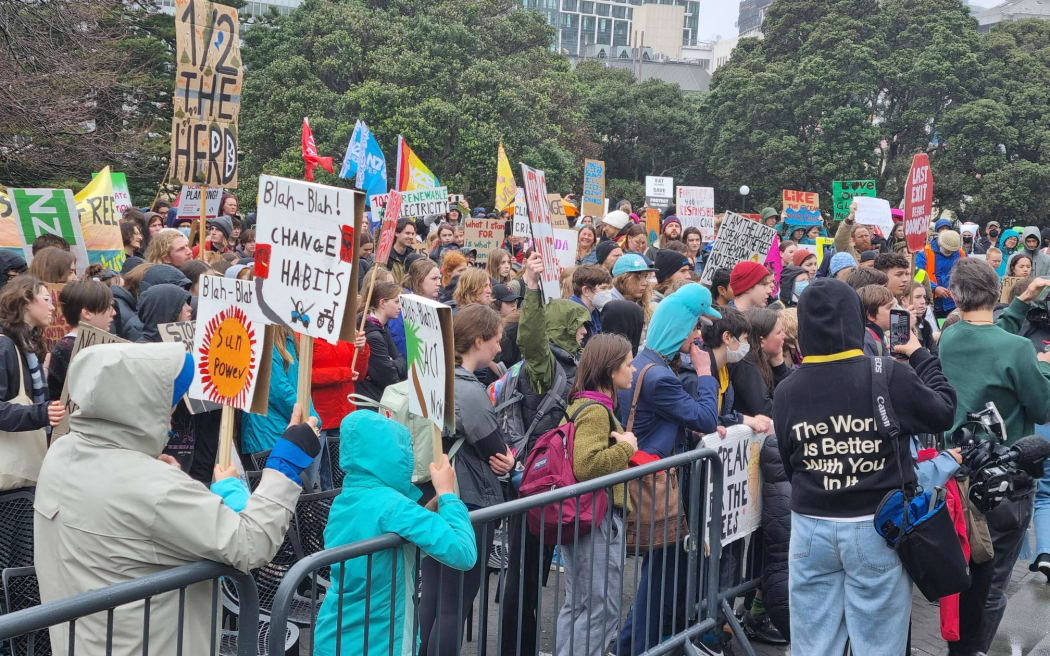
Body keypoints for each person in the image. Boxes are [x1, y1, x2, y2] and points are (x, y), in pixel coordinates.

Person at [35, 340, 319, 656]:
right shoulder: (149, 485)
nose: (174, 409)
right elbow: (250, 544)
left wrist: (156, 471)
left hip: (84, 640)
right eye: (167, 398)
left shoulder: (61, 452)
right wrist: (285, 463)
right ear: (138, 404)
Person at [773, 277, 956, 656]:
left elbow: (793, 460)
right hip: (875, 524)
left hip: (811, 524)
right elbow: (943, 411)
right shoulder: (887, 372)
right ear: (856, 319)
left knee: (813, 645)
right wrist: (920, 354)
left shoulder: (788, 388)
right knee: (878, 645)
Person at [938, 261, 1050, 655]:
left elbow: (988, 340)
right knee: (992, 583)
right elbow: (1043, 408)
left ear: (953, 294)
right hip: (1005, 483)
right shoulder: (1019, 349)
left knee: (966, 574)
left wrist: (1019, 303)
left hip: (956, 475)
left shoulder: (948, 338)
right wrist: (1043, 368)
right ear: (994, 289)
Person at [613, 283, 721, 655]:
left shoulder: (646, 365)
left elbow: (682, 419)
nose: (697, 338)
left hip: (655, 478)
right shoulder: (659, 376)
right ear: (679, 328)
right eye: (695, 329)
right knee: (658, 580)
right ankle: (637, 647)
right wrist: (707, 373)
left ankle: (630, 645)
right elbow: (706, 417)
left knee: (658, 577)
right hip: (656, 485)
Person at [314, 411, 476, 656]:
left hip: (337, 636)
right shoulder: (395, 508)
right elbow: (462, 553)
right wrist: (448, 495)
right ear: (392, 455)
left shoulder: (345, 500)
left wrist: (428, 509)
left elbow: (395, 546)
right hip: (380, 642)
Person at [500, 253, 591, 656]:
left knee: (530, 574)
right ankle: (514, 647)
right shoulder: (545, 364)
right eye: (580, 327)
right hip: (536, 480)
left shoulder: (568, 364)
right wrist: (533, 290)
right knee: (524, 573)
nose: (586, 334)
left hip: (545, 479)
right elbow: (531, 337)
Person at [419, 303, 512, 655]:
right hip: (467, 499)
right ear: (477, 340)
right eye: (496, 340)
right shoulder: (469, 390)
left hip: (433, 494)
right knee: (455, 602)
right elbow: (497, 449)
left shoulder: (430, 374)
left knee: (433, 594)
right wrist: (508, 458)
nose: (500, 349)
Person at [554, 333, 638, 656]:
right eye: (628, 365)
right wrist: (625, 448)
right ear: (609, 370)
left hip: (586, 517)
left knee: (579, 605)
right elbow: (587, 465)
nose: (632, 370)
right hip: (597, 519)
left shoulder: (584, 403)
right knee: (601, 609)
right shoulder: (595, 411)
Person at [0, 276, 66, 494]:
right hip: (10, 488)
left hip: (21, 482)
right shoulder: (5, 346)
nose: (53, 306)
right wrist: (41, 413)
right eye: (46, 299)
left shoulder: (26, 345)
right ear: (26, 301)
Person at [310, 330, 368, 490]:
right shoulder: (306, 333)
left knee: (342, 476)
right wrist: (342, 373)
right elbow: (304, 376)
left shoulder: (345, 334)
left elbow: (359, 374)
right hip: (317, 419)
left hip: (344, 417)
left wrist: (362, 350)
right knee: (311, 478)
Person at [47, 280, 115, 399]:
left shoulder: (103, 343)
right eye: (109, 307)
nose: (114, 312)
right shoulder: (67, 348)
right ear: (87, 313)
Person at [732, 307, 792, 418]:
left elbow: (791, 393)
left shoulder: (763, 359)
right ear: (761, 341)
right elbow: (766, 411)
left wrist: (778, 363)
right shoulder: (746, 365)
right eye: (779, 332)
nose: (784, 336)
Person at [357, 281, 407, 403]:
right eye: (396, 302)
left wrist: (393, 363)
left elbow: (402, 360)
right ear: (382, 303)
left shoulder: (382, 326)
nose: (400, 307)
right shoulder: (373, 335)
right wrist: (394, 364)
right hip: (371, 399)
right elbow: (388, 377)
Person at [916, 229, 966, 318]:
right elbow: (917, 277)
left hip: (954, 303)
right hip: (933, 303)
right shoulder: (924, 254)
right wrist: (934, 288)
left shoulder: (961, 254)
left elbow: (967, 274)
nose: (949, 252)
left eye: (952, 250)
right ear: (940, 243)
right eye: (947, 250)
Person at [569, 264, 612, 334]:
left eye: (609, 289)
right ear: (586, 290)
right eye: (603, 288)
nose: (608, 292)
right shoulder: (574, 317)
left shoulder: (595, 310)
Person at [859, 284, 895, 356]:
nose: (895, 311)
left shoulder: (875, 336)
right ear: (871, 315)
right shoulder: (866, 340)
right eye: (889, 307)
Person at [386, 218, 417, 284]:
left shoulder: (414, 256)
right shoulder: (385, 257)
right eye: (407, 233)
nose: (411, 237)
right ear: (396, 233)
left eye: (412, 234)